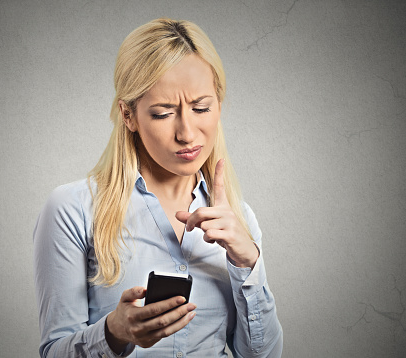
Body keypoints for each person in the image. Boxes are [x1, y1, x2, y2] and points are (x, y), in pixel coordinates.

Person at [33, 18, 283, 358]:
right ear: (128, 115)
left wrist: (248, 261)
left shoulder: (239, 219)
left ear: (219, 106)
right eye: (164, 113)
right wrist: (113, 334)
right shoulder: (72, 209)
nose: (187, 133)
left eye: (201, 108)